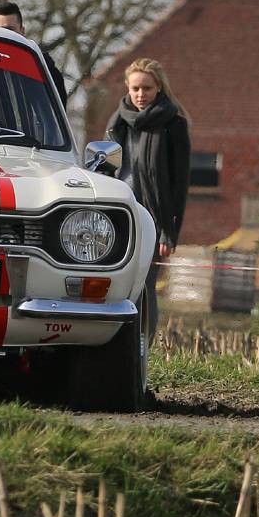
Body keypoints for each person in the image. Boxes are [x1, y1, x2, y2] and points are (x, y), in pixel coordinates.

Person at [105, 57, 190, 345]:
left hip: (153, 219)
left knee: (145, 284)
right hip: (118, 214)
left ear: (160, 89)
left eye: (147, 88)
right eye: (136, 88)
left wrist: (170, 230)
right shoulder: (117, 123)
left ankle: (144, 346)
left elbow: (179, 185)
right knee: (115, 283)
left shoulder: (174, 125)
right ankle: (115, 345)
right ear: (127, 89)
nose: (141, 95)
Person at [0, 1, 69, 104]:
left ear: (22, 31)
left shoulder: (41, 68)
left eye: (9, 30)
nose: (3, 35)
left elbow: (53, 113)